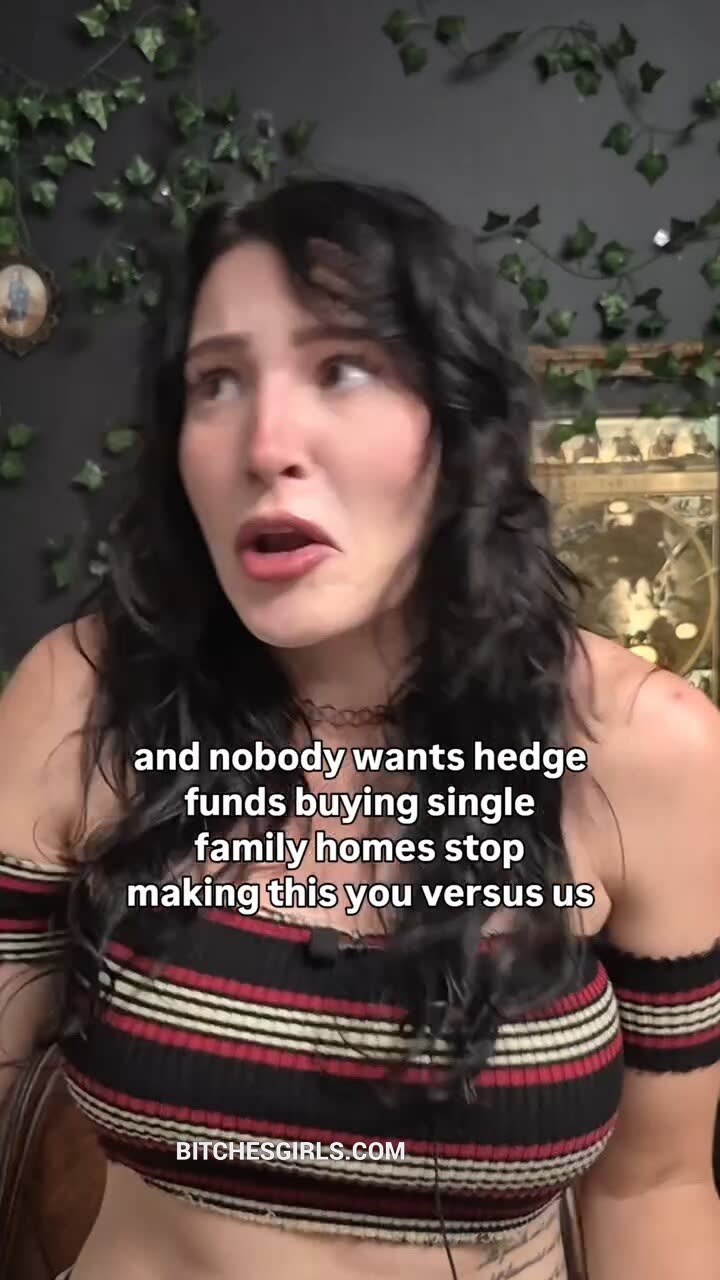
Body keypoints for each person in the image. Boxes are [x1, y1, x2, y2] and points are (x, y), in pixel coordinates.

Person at [1, 178, 719, 1280]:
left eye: (343, 367)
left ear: (463, 424)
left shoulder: (647, 750)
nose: (265, 443)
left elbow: (654, 1186)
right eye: (216, 381)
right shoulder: (83, 697)